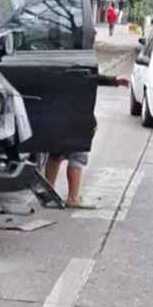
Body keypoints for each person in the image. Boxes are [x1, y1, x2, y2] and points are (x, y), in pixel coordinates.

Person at [45, 74, 129, 208]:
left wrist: (113, 81)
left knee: (55, 154)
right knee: (77, 155)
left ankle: (48, 196)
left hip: (56, 111)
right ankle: (72, 198)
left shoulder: (56, 60)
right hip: (78, 116)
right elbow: (90, 75)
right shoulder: (80, 59)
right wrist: (114, 80)